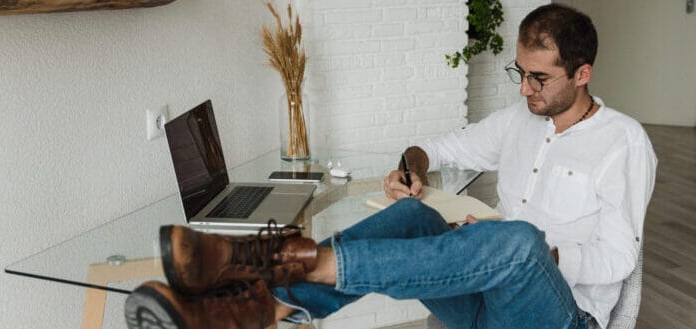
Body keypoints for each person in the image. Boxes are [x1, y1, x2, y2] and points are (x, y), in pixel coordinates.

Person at [123, 4, 657, 329]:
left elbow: (615, 261)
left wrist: (525, 248)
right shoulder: (519, 119)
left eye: (539, 78)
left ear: (582, 72)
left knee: (518, 241)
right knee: (413, 218)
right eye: (520, 71)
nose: (523, 89)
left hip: (557, 317)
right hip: (480, 307)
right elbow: (438, 147)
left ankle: (273, 258)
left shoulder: (623, 144)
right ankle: (250, 312)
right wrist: (411, 165)